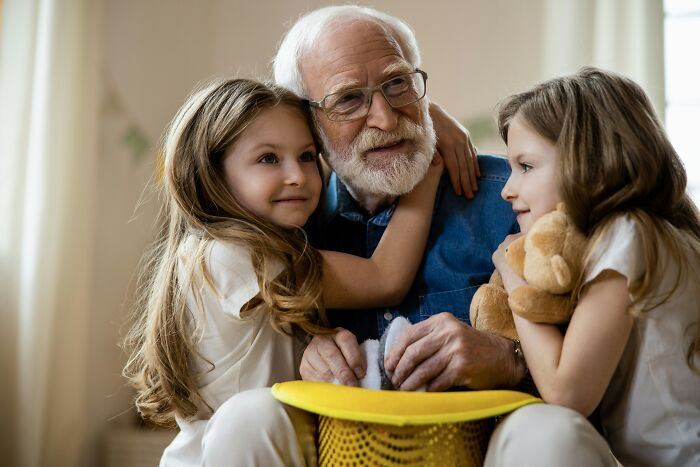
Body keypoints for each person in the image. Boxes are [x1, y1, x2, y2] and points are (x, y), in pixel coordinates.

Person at [122, 78, 444, 466]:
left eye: (307, 156)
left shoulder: (216, 250)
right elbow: (384, 278)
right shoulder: (235, 255)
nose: (297, 175)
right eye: (269, 159)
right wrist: (425, 171)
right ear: (213, 172)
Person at [273, 4, 524, 395]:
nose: (386, 120)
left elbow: (589, 371)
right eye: (348, 100)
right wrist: (304, 351)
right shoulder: (291, 229)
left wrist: (508, 356)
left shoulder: (513, 196)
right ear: (307, 123)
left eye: (397, 84)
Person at [486, 67, 700, 466]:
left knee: (532, 429)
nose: (506, 188)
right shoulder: (670, 234)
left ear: (589, 161)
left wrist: (513, 274)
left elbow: (567, 394)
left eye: (526, 167)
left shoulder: (626, 234)